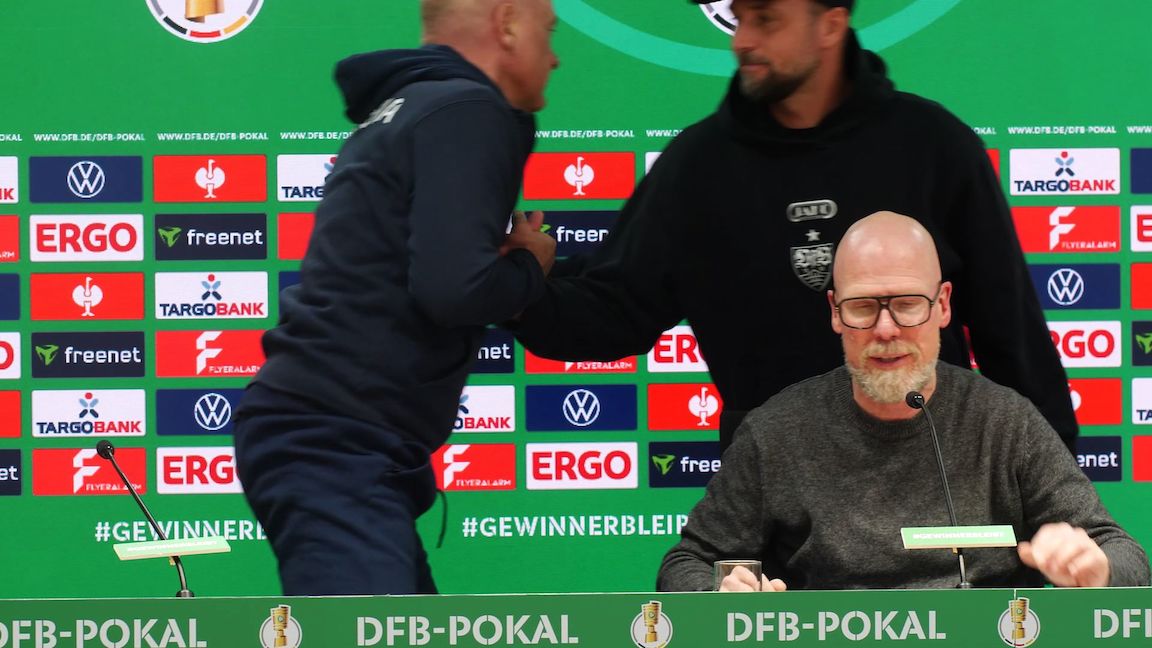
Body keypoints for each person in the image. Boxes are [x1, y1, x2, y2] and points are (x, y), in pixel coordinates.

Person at [511, 0, 1078, 453]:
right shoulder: (699, 165)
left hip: (934, 475)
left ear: (830, 24)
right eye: (740, 17)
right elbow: (615, 314)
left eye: (766, 19)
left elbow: (1012, 335)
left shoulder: (933, 145)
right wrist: (521, 285)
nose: (741, 40)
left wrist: (1053, 500)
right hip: (771, 494)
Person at [232, 0, 559, 595]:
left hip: (332, 438)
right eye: (549, 31)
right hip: (334, 442)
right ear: (508, 22)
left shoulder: (414, 106)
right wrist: (532, 268)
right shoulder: (465, 108)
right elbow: (454, 289)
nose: (556, 58)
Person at [656, 212, 1149, 592]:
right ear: (834, 312)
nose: (886, 330)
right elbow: (685, 565)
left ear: (943, 305)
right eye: (864, 307)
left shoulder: (1006, 423)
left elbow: (1128, 559)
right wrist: (719, 588)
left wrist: (1095, 566)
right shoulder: (776, 432)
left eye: (908, 304)